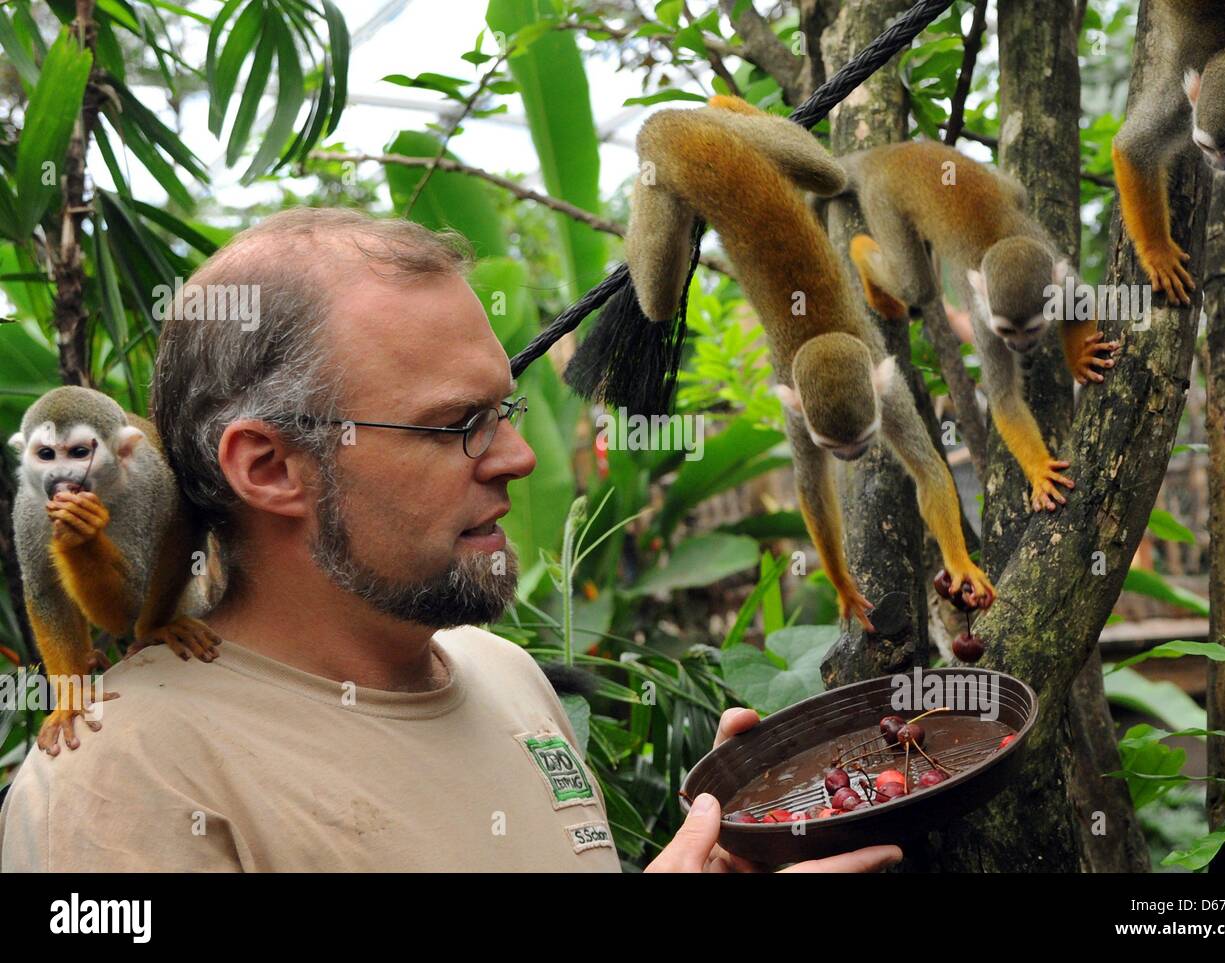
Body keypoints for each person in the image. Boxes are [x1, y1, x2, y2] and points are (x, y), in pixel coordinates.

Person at [0, 208, 901, 873]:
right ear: (271, 467)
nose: (514, 456)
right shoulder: (125, 776)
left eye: (501, 409)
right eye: (453, 424)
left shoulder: (502, 674)